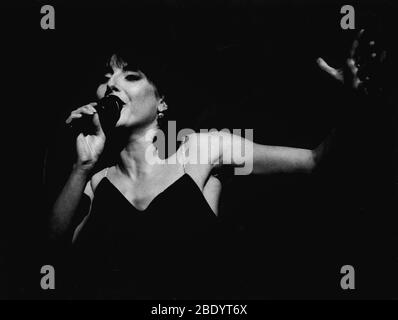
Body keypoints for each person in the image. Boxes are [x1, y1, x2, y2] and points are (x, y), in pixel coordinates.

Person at [49, 30, 380, 299]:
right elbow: (51, 251)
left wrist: (353, 104)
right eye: (107, 76)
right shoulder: (96, 181)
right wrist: (82, 166)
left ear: (161, 102)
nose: (112, 83)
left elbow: (313, 162)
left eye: (130, 75)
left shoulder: (201, 149)